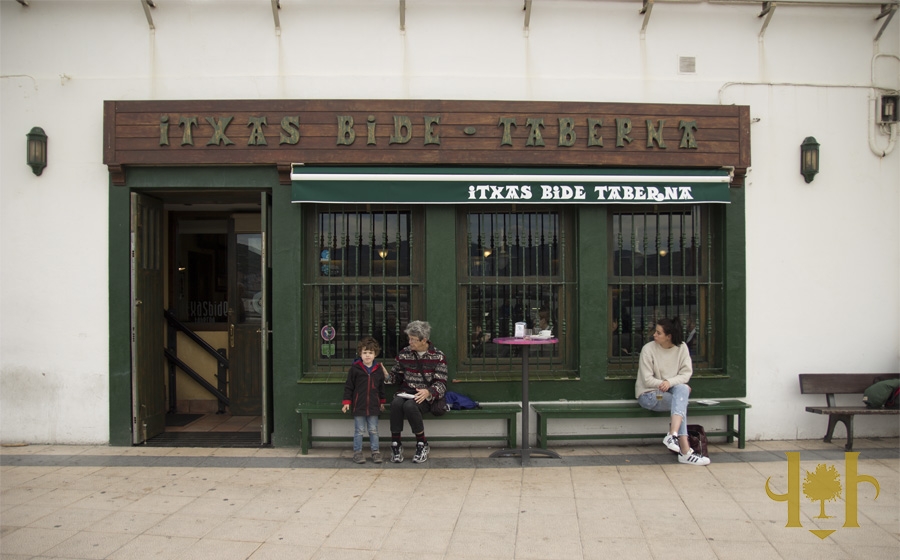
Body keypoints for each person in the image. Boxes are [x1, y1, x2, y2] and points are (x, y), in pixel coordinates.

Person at [635, 317, 711, 466]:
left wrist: (669, 382)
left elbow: (686, 374)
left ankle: (673, 435)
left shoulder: (681, 348)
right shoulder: (648, 349)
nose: (654, 335)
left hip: (671, 390)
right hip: (650, 394)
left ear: (669, 337)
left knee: (682, 390)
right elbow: (647, 380)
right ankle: (684, 450)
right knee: (681, 400)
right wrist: (664, 384)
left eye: (658, 333)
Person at [385, 320, 449, 464]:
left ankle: (422, 443)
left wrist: (429, 392)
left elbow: (441, 382)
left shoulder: (438, 356)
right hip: (405, 391)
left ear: (424, 340)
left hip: (424, 395)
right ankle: (396, 444)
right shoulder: (404, 354)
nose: (410, 342)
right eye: (409, 338)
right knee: (396, 403)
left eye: (413, 339)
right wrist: (387, 377)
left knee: (410, 406)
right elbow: (396, 376)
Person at [341, 336, 387, 464]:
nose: (367, 355)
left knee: (373, 430)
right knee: (359, 430)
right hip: (358, 405)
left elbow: (381, 387)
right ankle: (357, 452)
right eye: (365, 352)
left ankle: (375, 452)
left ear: (375, 354)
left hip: (373, 406)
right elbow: (349, 387)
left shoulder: (378, 370)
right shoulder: (355, 369)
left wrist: (382, 402)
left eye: (370, 353)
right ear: (360, 353)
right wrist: (346, 402)